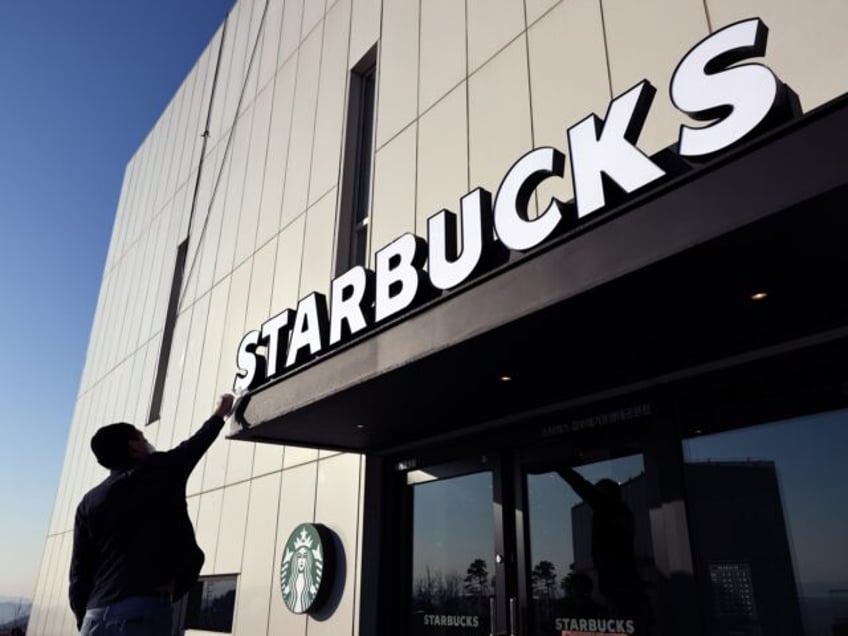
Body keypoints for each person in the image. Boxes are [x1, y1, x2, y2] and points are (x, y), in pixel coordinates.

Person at [69, 393, 235, 635]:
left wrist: (83, 621)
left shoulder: (88, 502)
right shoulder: (158, 470)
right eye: (142, 436)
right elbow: (194, 445)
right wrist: (219, 414)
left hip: (94, 618)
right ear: (133, 446)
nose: (147, 441)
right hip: (142, 614)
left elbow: (79, 573)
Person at [556, 467, 652, 633]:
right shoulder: (622, 513)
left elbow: (581, 485)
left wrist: (560, 466)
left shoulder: (609, 508)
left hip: (619, 584)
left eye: (598, 492)